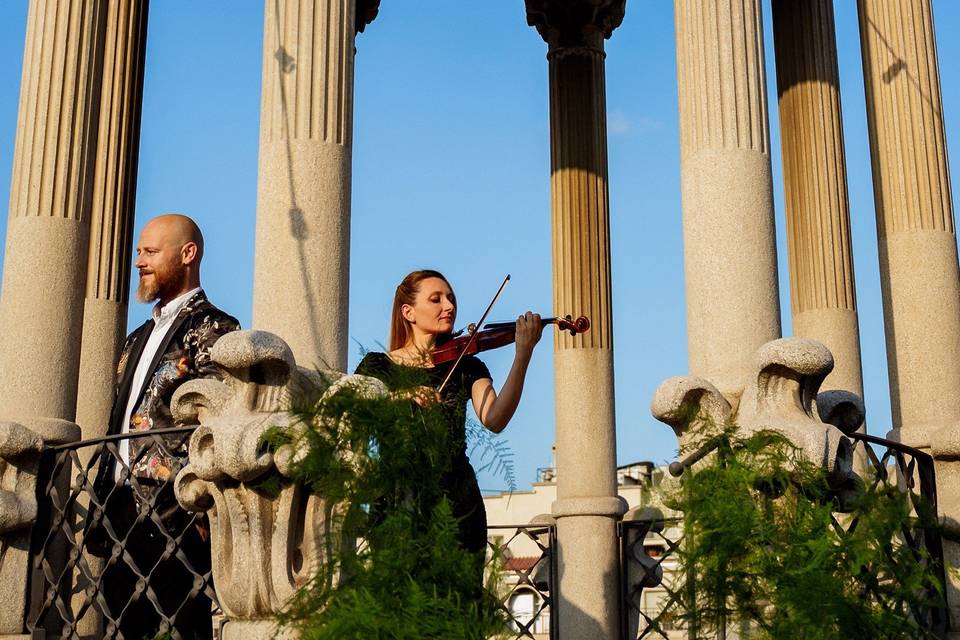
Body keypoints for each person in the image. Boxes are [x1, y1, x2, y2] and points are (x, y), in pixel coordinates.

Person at [89, 214, 239, 640]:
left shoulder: (216, 328)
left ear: (187, 254)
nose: (139, 261)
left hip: (175, 509)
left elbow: (212, 420)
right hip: (117, 505)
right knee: (124, 627)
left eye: (151, 252)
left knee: (181, 627)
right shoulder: (136, 337)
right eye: (139, 251)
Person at [355, 269, 543, 569]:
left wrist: (523, 354)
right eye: (436, 299)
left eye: (451, 299)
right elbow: (353, 415)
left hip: (458, 501)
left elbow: (494, 418)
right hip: (397, 499)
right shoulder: (377, 366)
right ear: (409, 312)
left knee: (459, 603)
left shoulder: (467, 364)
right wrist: (399, 399)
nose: (449, 306)